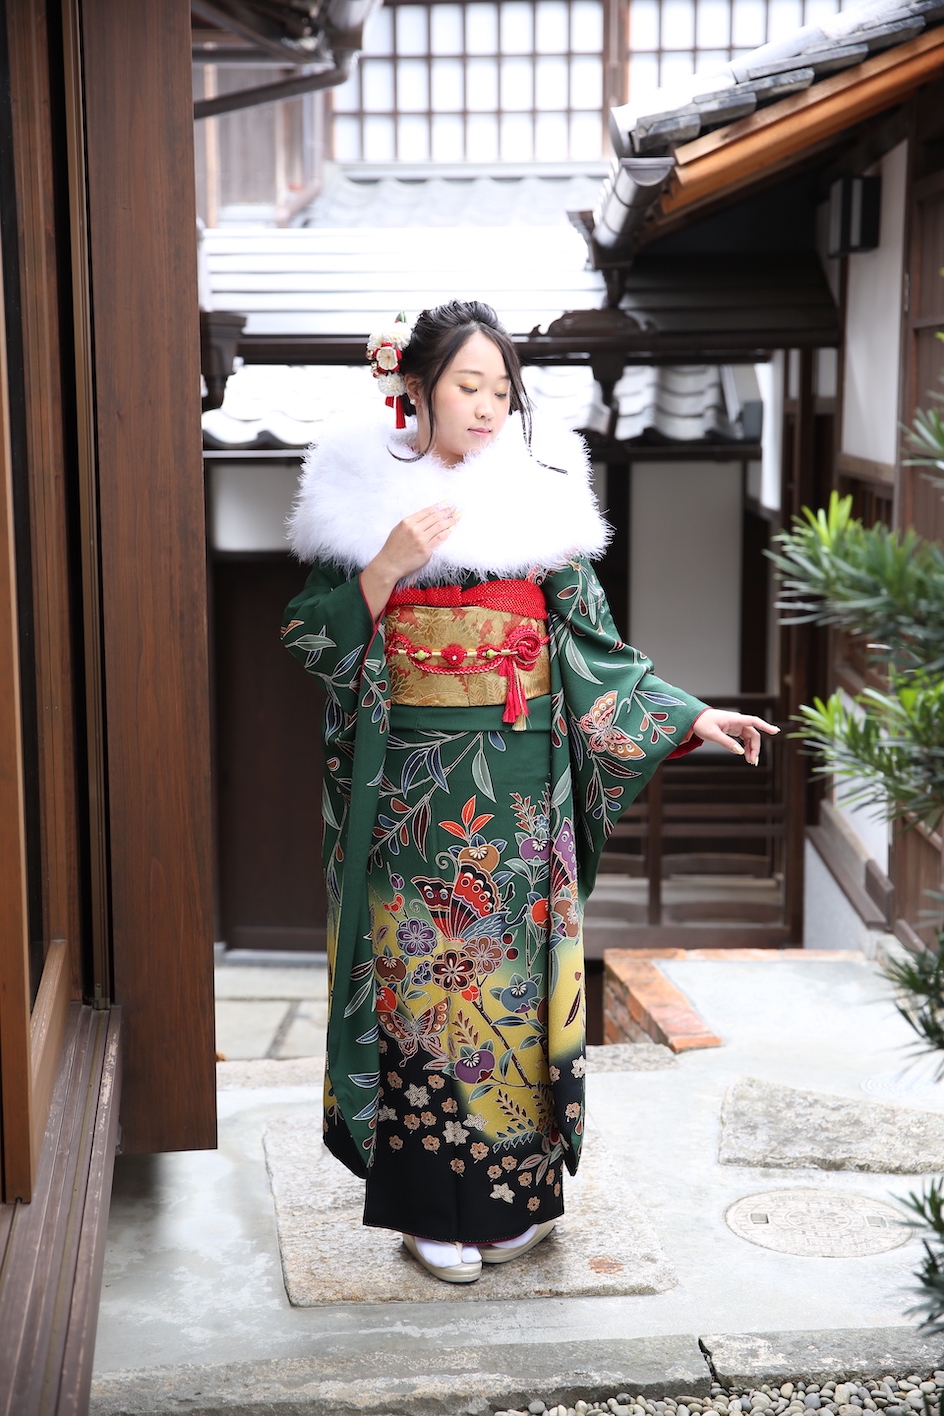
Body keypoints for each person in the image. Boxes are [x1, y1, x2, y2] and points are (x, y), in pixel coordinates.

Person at [282, 300, 779, 1285]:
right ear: (415, 388)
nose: (487, 407)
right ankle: (429, 1210)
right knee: (422, 988)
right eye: (467, 386)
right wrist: (386, 567)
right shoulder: (357, 497)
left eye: (502, 391)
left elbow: (595, 654)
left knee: (508, 993)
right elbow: (309, 639)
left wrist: (687, 717)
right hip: (409, 802)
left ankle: (515, 1201)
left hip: (517, 804)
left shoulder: (539, 502)